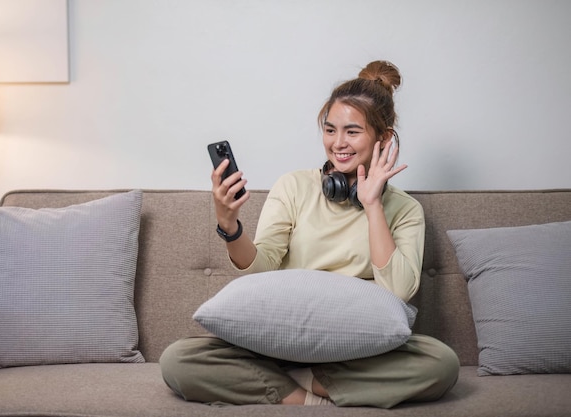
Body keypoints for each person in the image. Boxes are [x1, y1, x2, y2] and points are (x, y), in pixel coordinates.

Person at [160, 60, 459, 408]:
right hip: (277, 343)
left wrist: (373, 205)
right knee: (178, 360)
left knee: (441, 364)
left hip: (357, 353)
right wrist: (230, 226)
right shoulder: (294, 186)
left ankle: (302, 384)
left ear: (384, 137)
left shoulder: (405, 210)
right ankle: (305, 394)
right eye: (330, 130)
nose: (338, 143)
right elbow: (261, 269)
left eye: (352, 131)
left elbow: (399, 291)